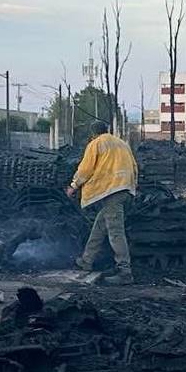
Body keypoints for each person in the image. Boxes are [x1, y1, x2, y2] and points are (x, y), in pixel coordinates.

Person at [67, 121, 138, 284]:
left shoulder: (96, 144)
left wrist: (73, 186)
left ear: (93, 134)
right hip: (125, 189)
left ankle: (125, 271)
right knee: (100, 226)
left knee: (115, 231)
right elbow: (134, 166)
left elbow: (85, 169)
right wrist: (132, 188)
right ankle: (86, 261)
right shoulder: (122, 143)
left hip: (112, 190)